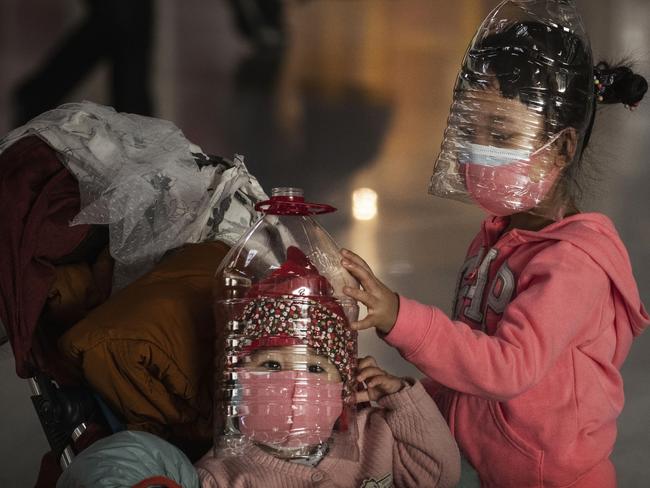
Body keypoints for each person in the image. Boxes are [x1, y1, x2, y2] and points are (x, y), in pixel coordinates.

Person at [339, 1, 649, 487]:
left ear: (563, 149)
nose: (478, 151)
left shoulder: (572, 265)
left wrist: (400, 316)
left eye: (501, 134)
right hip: (478, 468)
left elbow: (506, 368)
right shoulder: (499, 236)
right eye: (472, 131)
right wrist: (411, 396)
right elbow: (468, 363)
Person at [196, 293, 460, 488]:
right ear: (238, 378)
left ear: (344, 383)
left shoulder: (374, 434)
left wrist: (402, 397)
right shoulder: (220, 475)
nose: (296, 384)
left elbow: (438, 476)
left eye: (315, 368)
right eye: (272, 364)